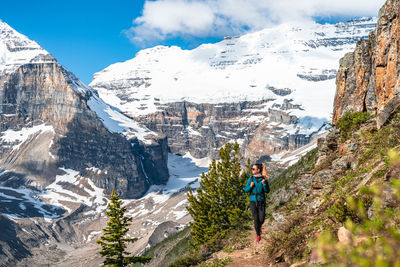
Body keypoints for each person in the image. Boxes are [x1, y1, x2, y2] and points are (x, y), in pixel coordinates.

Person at [244, 163, 270, 243]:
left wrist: (264, 184)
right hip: (252, 201)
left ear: (258, 170)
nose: (252, 170)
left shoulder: (263, 179)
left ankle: (259, 227)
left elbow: (267, 191)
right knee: (256, 219)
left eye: (253, 169)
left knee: (261, 219)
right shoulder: (251, 179)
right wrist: (250, 186)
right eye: (252, 169)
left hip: (261, 200)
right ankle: (258, 235)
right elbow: (246, 190)